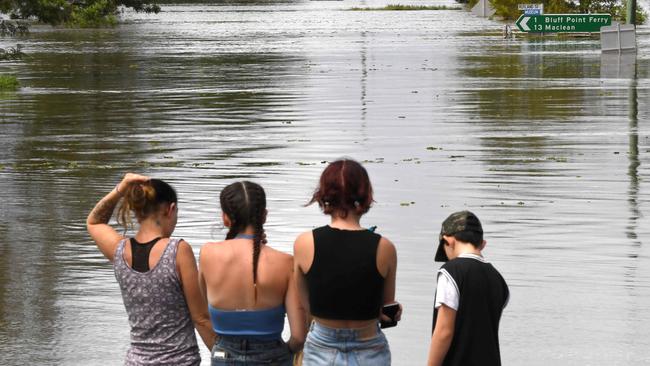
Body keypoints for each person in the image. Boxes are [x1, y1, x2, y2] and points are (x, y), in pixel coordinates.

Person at [86, 173, 215, 366]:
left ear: (137, 209)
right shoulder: (178, 251)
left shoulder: (119, 251)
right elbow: (201, 319)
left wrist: (121, 188)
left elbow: (94, 221)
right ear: (170, 210)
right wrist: (229, 357)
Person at [293, 158, 400, 366]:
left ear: (324, 195)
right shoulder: (384, 247)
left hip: (322, 344)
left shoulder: (304, 244)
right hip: (369, 344)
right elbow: (385, 307)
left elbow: (306, 305)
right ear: (365, 195)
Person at [199, 181, 306, 366]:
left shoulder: (208, 254)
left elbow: (202, 314)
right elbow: (298, 336)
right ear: (264, 216)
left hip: (223, 356)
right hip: (274, 358)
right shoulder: (285, 262)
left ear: (225, 218)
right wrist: (284, 353)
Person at [427, 211, 509, 366]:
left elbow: (444, 332)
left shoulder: (451, 271)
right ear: (482, 244)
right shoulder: (498, 279)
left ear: (448, 241)